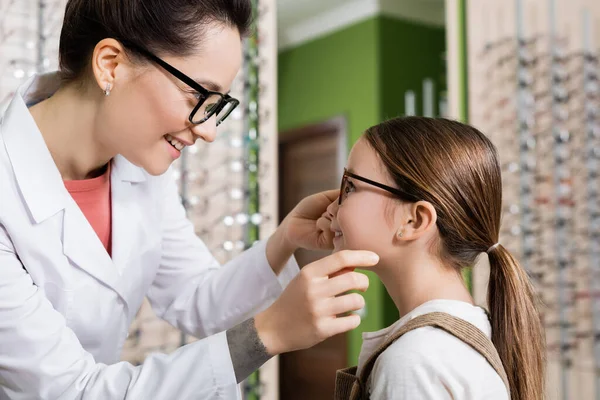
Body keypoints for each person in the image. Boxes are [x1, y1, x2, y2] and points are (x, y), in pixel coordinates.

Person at [0, 0, 379, 398]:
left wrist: (283, 242)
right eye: (198, 95)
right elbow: (74, 391)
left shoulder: (137, 167)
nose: (208, 131)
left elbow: (194, 298)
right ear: (111, 64)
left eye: (218, 107)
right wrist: (268, 333)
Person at [328, 117, 545, 400]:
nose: (331, 206)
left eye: (350, 186)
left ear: (414, 220)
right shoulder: (456, 336)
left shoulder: (413, 363)